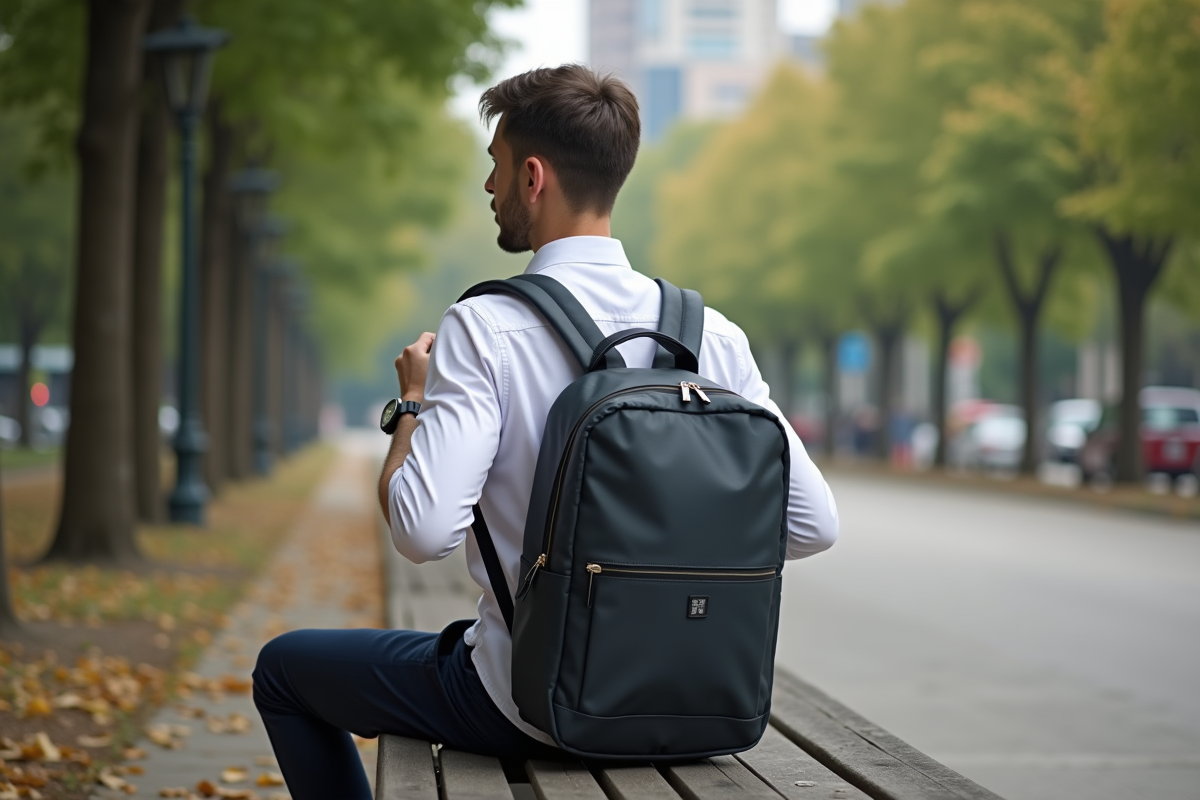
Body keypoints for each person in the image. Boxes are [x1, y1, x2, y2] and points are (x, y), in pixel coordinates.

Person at [252, 65, 839, 797]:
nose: (489, 190)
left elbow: (422, 532)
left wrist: (410, 407)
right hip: (703, 704)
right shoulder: (712, 337)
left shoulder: (486, 326)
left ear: (534, 177)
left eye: (495, 169)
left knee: (283, 668)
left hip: (531, 706)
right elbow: (814, 526)